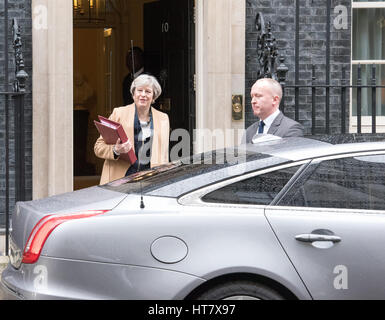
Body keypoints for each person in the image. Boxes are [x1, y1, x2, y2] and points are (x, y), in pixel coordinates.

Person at [95, 74, 169, 184]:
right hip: (120, 180)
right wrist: (116, 150)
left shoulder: (163, 118)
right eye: (139, 90)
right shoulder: (119, 113)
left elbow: (164, 154)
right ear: (133, 94)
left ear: (153, 96)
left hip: (151, 180)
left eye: (148, 92)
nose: (143, 95)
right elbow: (98, 147)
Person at [243, 78, 304, 143]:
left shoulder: (291, 129)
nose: (253, 101)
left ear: (275, 100)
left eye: (258, 96)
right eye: (252, 97)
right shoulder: (249, 131)